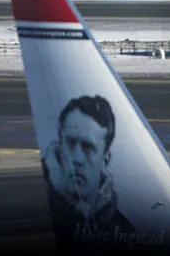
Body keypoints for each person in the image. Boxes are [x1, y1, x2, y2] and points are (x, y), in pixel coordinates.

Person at [41, 94, 137, 251]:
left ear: (105, 159)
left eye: (88, 147)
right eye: (70, 143)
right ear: (59, 148)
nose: (77, 158)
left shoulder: (125, 236)